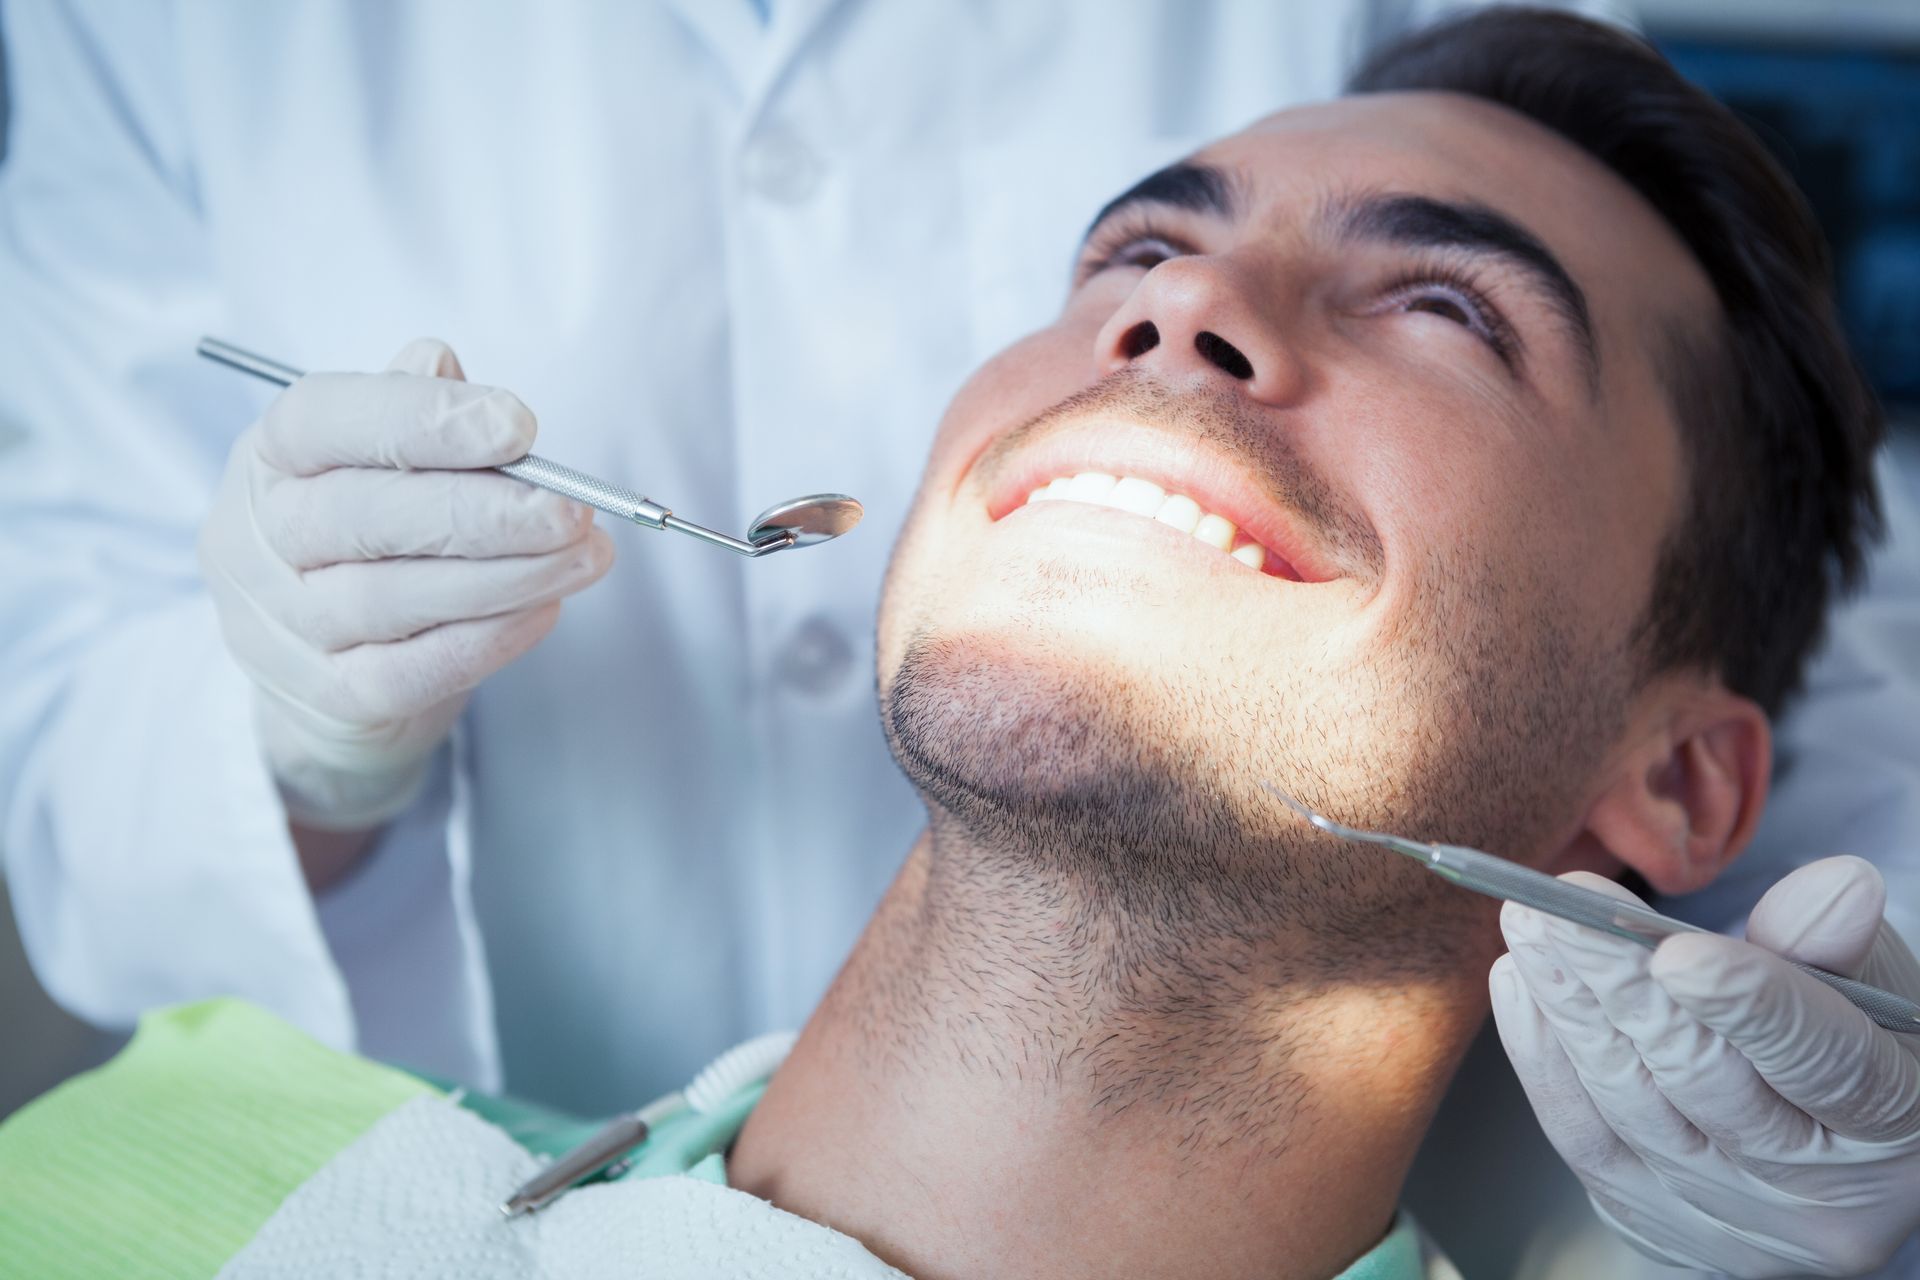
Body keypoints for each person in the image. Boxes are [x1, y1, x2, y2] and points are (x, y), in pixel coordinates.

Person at [4, 12, 1917, 1278]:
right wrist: (301, 735)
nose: (1183, 318)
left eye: (1445, 307)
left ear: (1675, 786)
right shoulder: (130, 1187)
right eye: (1132, 252)